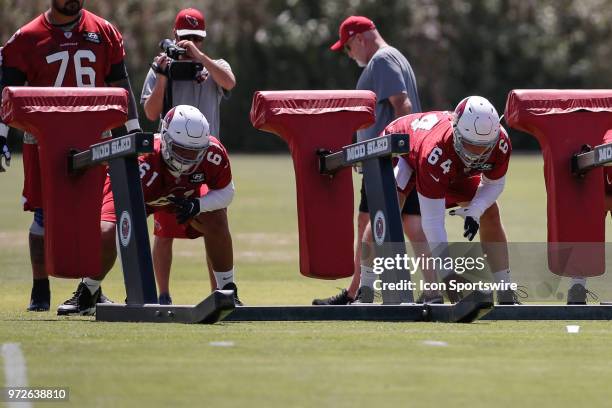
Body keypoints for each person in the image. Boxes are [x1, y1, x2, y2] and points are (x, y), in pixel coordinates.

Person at [0, 0, 141, 312]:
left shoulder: (103, 31)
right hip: (44, 139)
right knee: (43, 215)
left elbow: (120, 83)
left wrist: (133, 129)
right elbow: (6, 91)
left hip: (95, 138)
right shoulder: (27, 37)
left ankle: (91, 290)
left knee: (96, 214)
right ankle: (40, 289)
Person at [57, 105, 240, 315]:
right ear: (165, 139)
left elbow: (227, 192)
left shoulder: (213, 153)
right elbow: (125, 215)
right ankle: (88, 291)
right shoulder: (143, 160)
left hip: (183, 197)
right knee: (107, 233)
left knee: (217, 218)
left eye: (194, 152)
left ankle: (228, 290)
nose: (186, 159)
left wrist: (199, 205)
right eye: (181, 150)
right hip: (138, 190)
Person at [312, 15, 433, 305]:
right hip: (393, 158)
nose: (349, 53)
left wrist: (400, 151)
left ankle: (360, 293)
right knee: (410, 224)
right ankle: (431, 291)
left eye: (348, 48)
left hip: (387, 160)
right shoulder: (395, 57)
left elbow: (401, 104)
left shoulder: (381, 60)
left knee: (371, 222)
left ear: (359, 38)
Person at [360, 96, 522, 304]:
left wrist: (475, 210)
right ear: (456, 131)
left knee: (490, 211)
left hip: (452, 165)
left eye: (484, 146)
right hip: (403, 149)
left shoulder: (501, 142)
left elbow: (494, 185)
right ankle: (366, 288)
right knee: (388, 213)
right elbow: (433, 222)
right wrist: (448, 275)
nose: (477, 153)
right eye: (471, 144)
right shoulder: (434, 152)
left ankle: (505, 290)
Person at [140, 7, 236, 305]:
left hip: (206, 161)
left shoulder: (213, 65)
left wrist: (200, 58)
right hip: (167, 158)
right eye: (185, 38)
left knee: (214, 223)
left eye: (196, 38)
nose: (190, 42)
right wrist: (164, 77)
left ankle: (220, 293)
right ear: (174, 36)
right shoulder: (161, 68)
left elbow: (230, 82)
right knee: (163, 229)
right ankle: (163, 294)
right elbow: (150, 112)